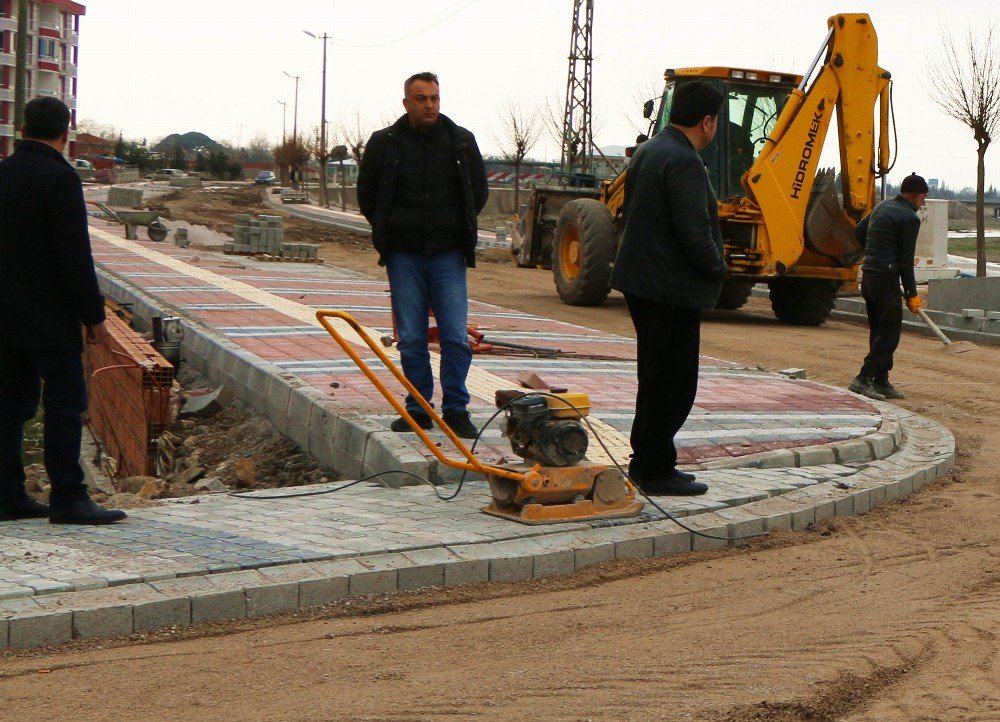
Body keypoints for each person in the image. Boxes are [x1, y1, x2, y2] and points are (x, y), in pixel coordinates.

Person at [0, 97, 127, 524]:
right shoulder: (60, 179)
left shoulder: (2, 174)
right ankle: (69, 497)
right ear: (64, 133)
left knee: (9, 406)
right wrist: (94, 318)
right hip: (50, 321)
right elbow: (74, 255)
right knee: (64, 404)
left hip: (3, 319)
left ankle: (7, 494)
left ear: (22, 131)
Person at [609, 81, 728, 496]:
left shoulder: (651, 149)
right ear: (708, 121)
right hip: (669, 288)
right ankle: (655, 469)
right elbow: (694, 231)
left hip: (645, 283)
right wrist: (718, 269)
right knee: (674, 384)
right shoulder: (685, 162)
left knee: (655, 377)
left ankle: (648, 462)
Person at [357, 72, 488, 439]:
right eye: (421, 99)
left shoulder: (460, 142)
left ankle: (456, 409)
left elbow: (478, 192)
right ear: (406, 103)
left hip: (448, 255)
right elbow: (367, 194)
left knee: (454, 337)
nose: (429, 105)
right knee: (412, 337)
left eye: (434, 98)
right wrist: (389, 229)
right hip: (404, 256)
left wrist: (457, 226)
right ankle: (418, 408)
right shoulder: (385, 143)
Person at [849, 173, 929, 401]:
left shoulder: (882, 207)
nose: (923, 202)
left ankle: (881, 380)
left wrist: (876, 252)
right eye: (923, 197)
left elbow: (858, 232)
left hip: (870, 275)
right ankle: (864, 378)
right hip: (886, 278)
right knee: (890, 333)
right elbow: (906, 261)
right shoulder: (909, 219)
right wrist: (912, 294)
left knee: (879, 329)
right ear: (914, 194)